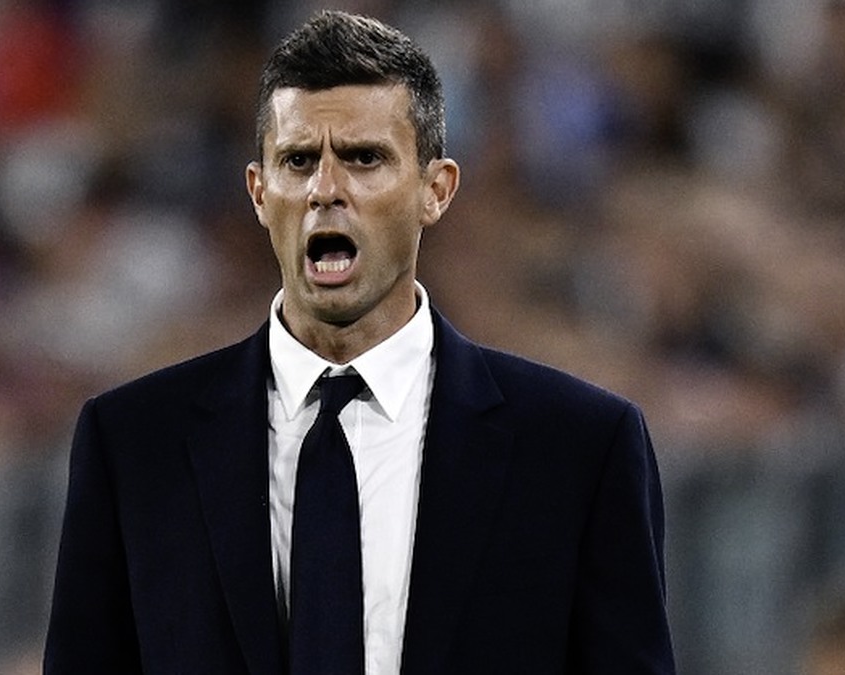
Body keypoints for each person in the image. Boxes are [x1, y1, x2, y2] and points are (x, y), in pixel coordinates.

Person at [44, 10, 675, 674]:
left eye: (364, 158)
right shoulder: (134, 444)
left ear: (436, 189)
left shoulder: (579, 447)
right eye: (298, 161)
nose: (326, 190)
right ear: (259, 192)